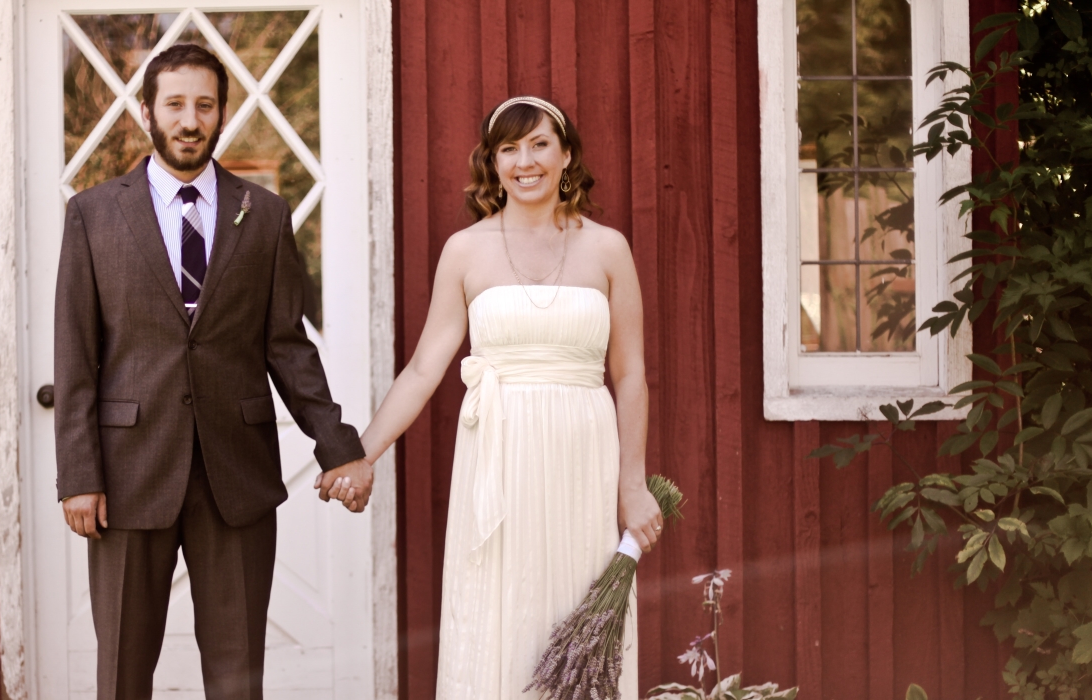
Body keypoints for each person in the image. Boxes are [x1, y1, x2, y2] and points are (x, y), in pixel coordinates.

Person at [53, 43, 374, 700]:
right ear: (147, 111)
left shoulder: (265, 214)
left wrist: (339, 447)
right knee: (122, 672)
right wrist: (79, 475)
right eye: (175, 104)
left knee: (236, 677)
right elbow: (76, 356)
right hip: (127, 476)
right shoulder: (92, 215)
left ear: (222, 114)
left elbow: (288, 346)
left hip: (237, 478)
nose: (190, 119)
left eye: (204, 105)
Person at [327, 96, 662, 699]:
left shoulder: (608, 248)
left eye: (539, 145)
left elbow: (631, 373)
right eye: (509, 148)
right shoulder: (466, 250)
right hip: (499, 459)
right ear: (493, 162)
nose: (524, 161)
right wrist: (361, 453)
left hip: (583, 456)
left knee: (573, 599)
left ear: (566, 156)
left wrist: (631, 486)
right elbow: (424, 368)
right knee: (499, 610)